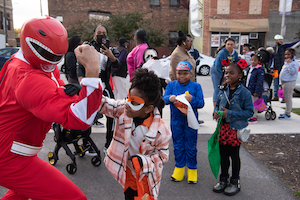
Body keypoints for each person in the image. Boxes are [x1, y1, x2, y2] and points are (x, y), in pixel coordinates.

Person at [0, 16, 102, 200]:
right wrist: (93, 71)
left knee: (20, 195)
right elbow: (80, 120)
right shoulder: (28, 79)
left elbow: (54, 89)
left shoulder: (21, 60)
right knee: (74, 198)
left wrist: (68, 91)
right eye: (49, 55)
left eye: (58, 56)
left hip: (14, 150)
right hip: (9, 157)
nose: (53, 62)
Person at [99, 68, 171, 200]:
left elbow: (162, 156)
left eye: (134, 102)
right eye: (127, 97)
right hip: (127, 175)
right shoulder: (123, 111)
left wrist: (143, 161)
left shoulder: (161, 130)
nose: (127, 104)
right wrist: (84, 91)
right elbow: (103, 104)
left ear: (148, 108)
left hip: (146, 178)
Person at [77, 24, 120, 153]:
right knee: (88, 114)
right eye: (99, 32)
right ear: (94, 34)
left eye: (104, 33)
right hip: (90, 83)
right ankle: (86, 143)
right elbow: (80, 66)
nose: (102, 35)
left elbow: (117, 65)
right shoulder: (87, 48)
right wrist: (81, 81)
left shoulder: (109, 49)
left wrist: (110, 55)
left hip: (104, 84)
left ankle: (108, 143)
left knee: (112, 113)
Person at [212, 62, 253, 196]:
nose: (228, 75)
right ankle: (223, 180)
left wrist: (228, 114)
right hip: (223, 129)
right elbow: (217, 105)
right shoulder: (222, 90)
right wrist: (216, 113)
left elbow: (249, 112)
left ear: (240, 75)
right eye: (226, 72)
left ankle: (235, 181)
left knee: (234, 156)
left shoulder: (244, 93)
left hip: (235, 130)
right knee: (223, 156)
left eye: (231, 73)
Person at [163, 61, 205, 184]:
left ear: (191, 73)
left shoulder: (196, 86)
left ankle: (192, 170)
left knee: (191, 146)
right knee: (178, 145)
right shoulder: (171, 85)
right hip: (176, 121)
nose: (182, 76)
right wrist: (169, 98)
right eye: (179, 73)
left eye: (185, 74)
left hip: (191, 121)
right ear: (175, 73)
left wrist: (192, 100)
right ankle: (179, 168)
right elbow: (164, 99)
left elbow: (201, 103)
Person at [211, 38, 239, 107]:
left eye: (231, 44)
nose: (229, 46)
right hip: (217, 71)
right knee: (218, 89)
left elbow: (236, 64)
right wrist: (224, 78)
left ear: (234, 45)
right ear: (225, 45)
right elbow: (217, 67)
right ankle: (215, 109)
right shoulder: (222, 53)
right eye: (228, 44)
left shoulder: (235, 53)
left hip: (227, 72)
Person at [271, 34, 300, 101]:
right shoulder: (273, 49)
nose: (281, 41)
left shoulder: (284, 47)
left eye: (281, 40)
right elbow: (272, 59)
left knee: (283, 85)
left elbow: (292, 44)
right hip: (275, 69)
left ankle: (283, 97)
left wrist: (298, 41)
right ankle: (275, 96)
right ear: (276, 40)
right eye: (279, 40)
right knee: (275, 84)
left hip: (282, 68)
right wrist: (271, 67)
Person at [278, 48, 299, 120]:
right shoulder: (286, 62)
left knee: (288, 98)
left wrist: (289, 64)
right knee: (286, 98)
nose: (286, 56)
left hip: (290, 82)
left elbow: (293, 72)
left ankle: (288, 113)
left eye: (288, 54)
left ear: (293, 54)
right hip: (285, 82)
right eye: (285, 54)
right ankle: (286, 111)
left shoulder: (294, 62)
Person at [245, 54, 265, 124]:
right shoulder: (250, 68)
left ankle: (254, 116)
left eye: (255, 60)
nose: (253, 62)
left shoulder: (259, 69)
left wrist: (257, 91)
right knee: (249, 103)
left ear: (258, 61)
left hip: (255, 90)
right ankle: (250, 114)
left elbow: (260, 81)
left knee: (254, 103)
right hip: (249, 88)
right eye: (252, 60)